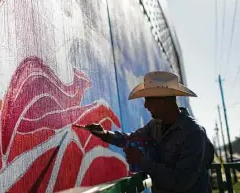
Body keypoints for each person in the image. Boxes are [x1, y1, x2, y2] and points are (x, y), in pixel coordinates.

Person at [85, 71, 214, 193]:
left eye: (148, 100)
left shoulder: (194, 133)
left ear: (163, 101)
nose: (145, 105)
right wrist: (104, 134)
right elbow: (130, 139)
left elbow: (181, 182)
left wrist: (142, 161)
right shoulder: (155, 126)